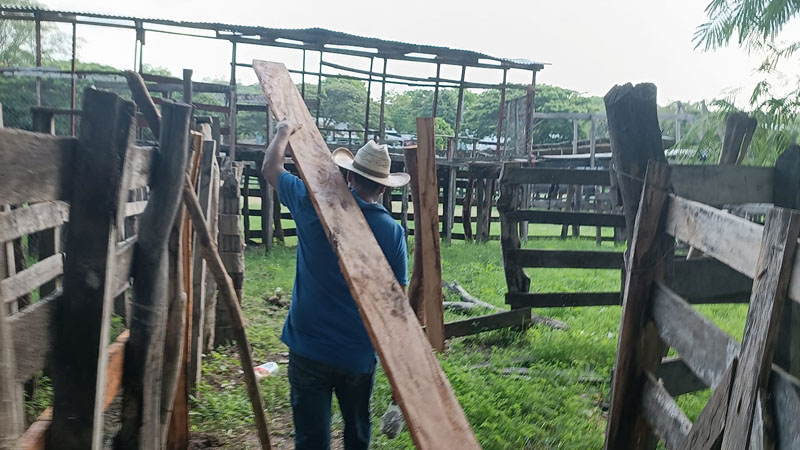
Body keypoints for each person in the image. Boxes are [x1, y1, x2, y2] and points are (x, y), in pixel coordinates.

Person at [261, 120, 409, 450]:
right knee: (357, 432)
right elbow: (398, 300)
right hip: (356, 353)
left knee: (311, 439)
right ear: (383, 188)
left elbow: (270, 168)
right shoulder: (392, 233)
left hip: (308, 346)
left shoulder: (310, 204)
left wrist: (283, 132)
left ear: (350, 176)